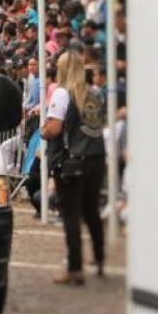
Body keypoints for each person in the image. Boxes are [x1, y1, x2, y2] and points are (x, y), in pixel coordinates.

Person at [41, 50, 107, 286]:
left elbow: (55, 128)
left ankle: (75, 268)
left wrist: (43, 131)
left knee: (71, 215)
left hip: (72, 162)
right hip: (96, 158)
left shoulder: (62, 93)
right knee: (91, 211)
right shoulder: (95, 93)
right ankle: (99, 258)